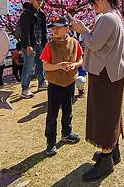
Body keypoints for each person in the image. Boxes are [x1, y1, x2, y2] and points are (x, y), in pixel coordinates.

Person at [72, 0, 124, 182]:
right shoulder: (116, 16)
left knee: (105, 113)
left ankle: (106, 158)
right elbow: (99, 41)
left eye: (93, 3)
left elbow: (94, 44)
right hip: (112, 71)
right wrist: (88, 30)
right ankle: (113, 151)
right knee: (112, 111)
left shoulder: (106, 18)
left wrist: (82, 30)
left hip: (105, 73)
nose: (93, 7)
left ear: (101, 0)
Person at [40, 16, 83, 156]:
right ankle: (50, 142)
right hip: (55, 83)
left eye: (58, 27)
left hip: (70, 81)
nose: (55, 30)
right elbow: (45, 66)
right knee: (52, 113)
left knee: (68, 109)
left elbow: (80, 59)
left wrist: (75, 65)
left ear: (67, 28)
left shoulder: (75, 43)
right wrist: (59, 66)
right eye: (53, 27)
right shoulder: (49, 45)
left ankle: (67, 133)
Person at [17, 0, 48, 98]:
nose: (39, 1)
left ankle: (42, 83)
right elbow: (25, 31)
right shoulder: (27, 13)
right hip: (30, 44)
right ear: (32, 0)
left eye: (41, 0)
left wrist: (46, 43)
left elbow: (44, 31)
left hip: (40, 43)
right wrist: (28, 45)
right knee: (28, 67)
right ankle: (25, 89)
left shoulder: (42, 13)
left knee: (41, 64)